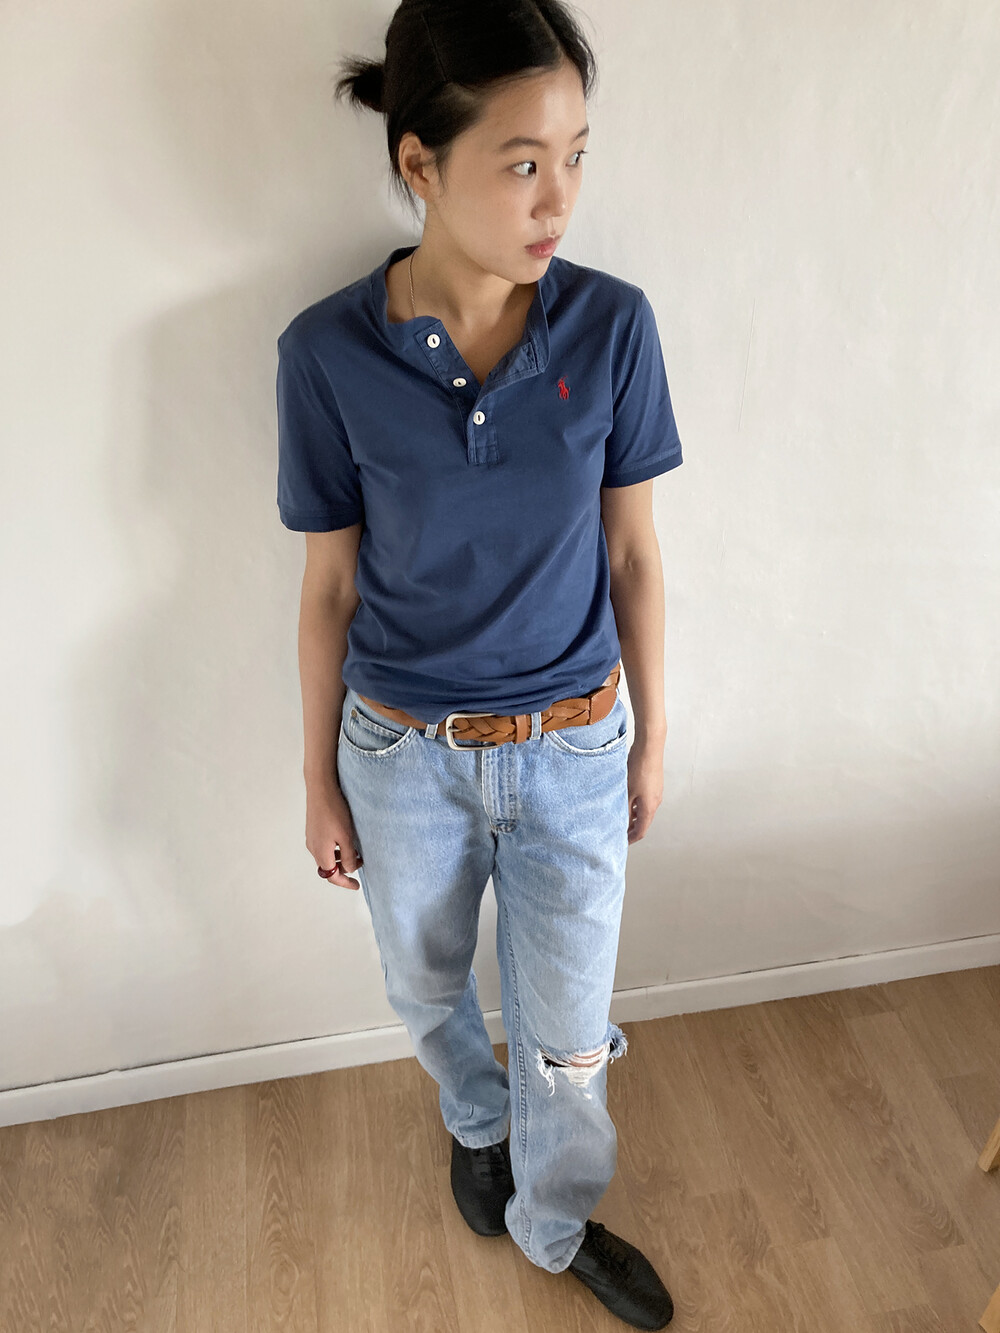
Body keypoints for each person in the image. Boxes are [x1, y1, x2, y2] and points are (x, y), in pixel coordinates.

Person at [275, 2, 682, 1327]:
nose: (559, 197)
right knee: (424, 981)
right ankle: (472, 1117)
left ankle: (554, 1222)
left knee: (567, 1038)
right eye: (521, 163)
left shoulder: (613, 327)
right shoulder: (326, 356)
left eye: (576, 155)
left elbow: (634, 556)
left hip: (574, 746)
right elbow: (330, 586)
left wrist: (652, 733)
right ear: (420, 162)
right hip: (400, 756)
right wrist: (319, 782)